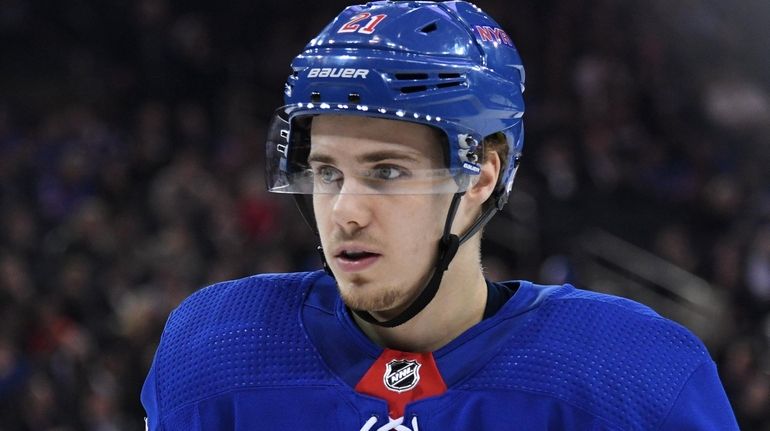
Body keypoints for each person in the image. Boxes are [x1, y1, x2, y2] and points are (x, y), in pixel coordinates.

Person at [141, 1, 739, 429]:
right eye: (327, 172)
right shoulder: (218, 350)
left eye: (387, 171)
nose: (344, 212)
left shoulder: (629, 377)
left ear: (482, 174)